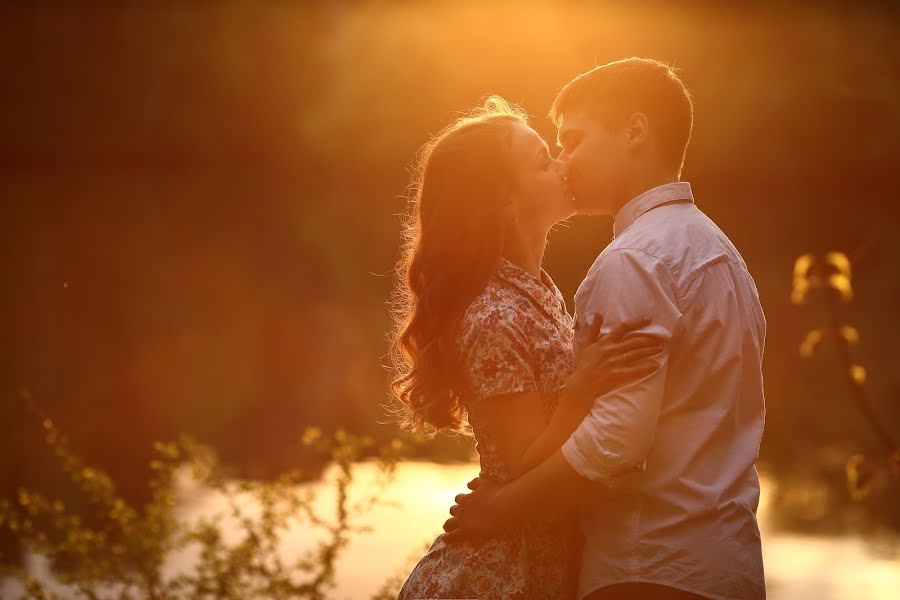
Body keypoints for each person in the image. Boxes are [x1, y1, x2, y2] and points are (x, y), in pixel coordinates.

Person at [443, 58, 767, 600]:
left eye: (573, 141)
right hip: (725, 564)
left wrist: (498, 510)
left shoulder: (636, 259)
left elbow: (615, 441)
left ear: (635, 132)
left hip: (648, 568)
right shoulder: (719, 251)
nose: (565, 162)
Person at [389, 96, 662, 599]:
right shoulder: (493, 317)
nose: (563, 165)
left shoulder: (537, 291)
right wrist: (581, 391)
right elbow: (523, 466)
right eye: (542, 160)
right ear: (505, 202)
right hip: (494, 577)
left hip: (542, 562)